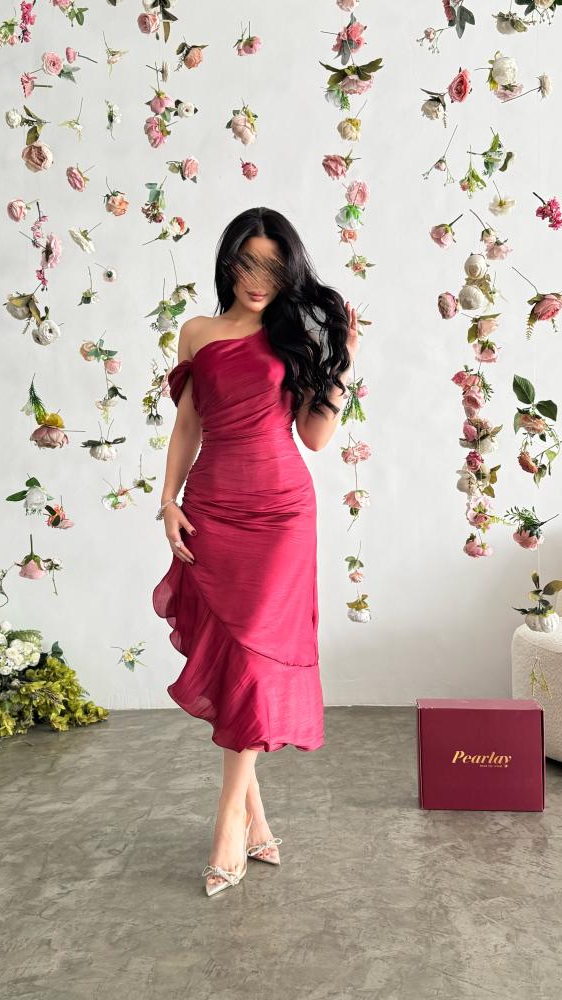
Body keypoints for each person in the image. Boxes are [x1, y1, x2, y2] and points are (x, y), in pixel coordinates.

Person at [152, 206, 358, 895]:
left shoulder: (294, 335)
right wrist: (168, 500)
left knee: (254, 661)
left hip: (282, 515)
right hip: (213, 507)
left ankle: (227, 825)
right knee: (236, 661)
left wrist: (342, 361)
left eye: (272, 267)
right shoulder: (196, 332)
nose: (258, 279)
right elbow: (188, 425)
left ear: (288, 270)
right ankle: (257, 823)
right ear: (228, 264)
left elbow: (316, 438)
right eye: (247, 263)